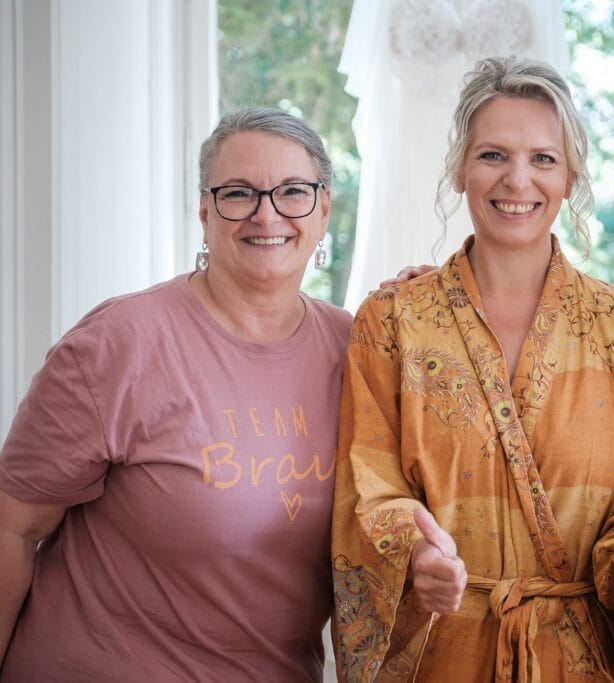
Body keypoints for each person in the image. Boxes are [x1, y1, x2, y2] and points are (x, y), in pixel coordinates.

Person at [330, 56, 614, 682]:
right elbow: (367, 485)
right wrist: (415, 552)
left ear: (570, 177)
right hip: (442, 657)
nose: (516, 180)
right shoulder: (392, 322)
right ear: (459, 168)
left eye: (543, 159)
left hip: (579, 662)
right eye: (492, 155)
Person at [0, 107, 353, 680]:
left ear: (323, 209)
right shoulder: (118, 346)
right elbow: (12, 527)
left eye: (292, 191)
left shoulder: (359, 349)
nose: (267, 214)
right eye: (239, 193)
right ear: (205, 211)